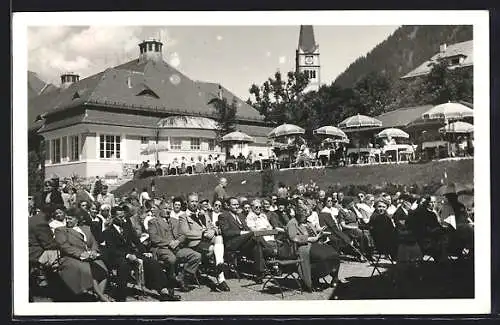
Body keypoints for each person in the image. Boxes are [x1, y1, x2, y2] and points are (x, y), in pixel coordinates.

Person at [102, 206, 181, 301]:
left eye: (123, 216)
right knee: (124, 265)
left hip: (131, 252)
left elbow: (136, 241)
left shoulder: (127, 226)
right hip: (117, 256)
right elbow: (111, 250)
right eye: (120, 217)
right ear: (113, 217)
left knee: (152, 262)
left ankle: (163, 291)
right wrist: (127, 255)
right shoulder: (108, 231)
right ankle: (120, 295)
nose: (123, 219)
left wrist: (144, 252)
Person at [54, 207, 110, 301]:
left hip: (89, 257)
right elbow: (65, 247)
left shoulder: (86, 229)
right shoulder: (61, 230)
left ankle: (98, 297)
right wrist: (82, 254)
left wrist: (94, 252)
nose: (68, 220)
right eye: (67, 218)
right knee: (88, 271)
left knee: (104, 271)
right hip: (71, 258)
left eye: (70, 218)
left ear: (77, 219)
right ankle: (102, 298)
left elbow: (94, 243)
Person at [179, 193, 229, 292]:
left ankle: (219, 266)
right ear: (187, 203)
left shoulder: (204, 214)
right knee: (212, 249)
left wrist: (213, 231)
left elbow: (213, 227)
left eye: (196, 201)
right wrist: (203, 234)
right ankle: (221, 279)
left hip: (207, 241)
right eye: (192, 201)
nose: (194, 203)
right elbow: (186, 233)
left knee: (219, 238)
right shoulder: (183, 216)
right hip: (194, 243)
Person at [287, 201, 341, 293]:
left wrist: (320, 233)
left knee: (334, 254)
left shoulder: (307, 222)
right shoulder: (292, 223)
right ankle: (315, 280)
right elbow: (293, 237)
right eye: (305, 215)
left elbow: (315, 231)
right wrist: (308, 238)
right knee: (322, 257)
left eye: (307, 215)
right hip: (303, 246)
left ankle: (335, 278)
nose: (306, 217)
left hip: (316, 243)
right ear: (299, 214)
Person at [218, 197, 275, 283]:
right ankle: (270, 251)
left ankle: (259, 273)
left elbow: (247, 228)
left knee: (257, 245)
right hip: (232, 243)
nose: (236, 206)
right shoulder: (223, 216)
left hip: (243, 243)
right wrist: (241, 233)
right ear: (228, 206)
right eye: (234, 204)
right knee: (253, 233)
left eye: (237, 204)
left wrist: (247, 232)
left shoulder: (240, 216)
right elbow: (226, 233)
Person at [147, 204, 202, 292]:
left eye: (169, 209)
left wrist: (178, 241)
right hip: (161, 248)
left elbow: (183, 234)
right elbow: (154, 238)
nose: (168, 210)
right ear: (160, 210)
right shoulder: (153, 222)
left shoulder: (175, 221)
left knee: (196, 256)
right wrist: (169, 243)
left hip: (176, 248)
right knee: (172, 259)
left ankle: (181, 278)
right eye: (165, 208)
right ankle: (170, 282)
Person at [29, 204, 60, 269]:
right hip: (36, 254)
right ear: (50, 213)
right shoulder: (41, 223)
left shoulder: (32, 219)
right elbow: (48, 244)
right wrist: (62, 245)